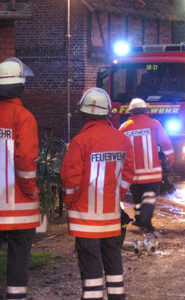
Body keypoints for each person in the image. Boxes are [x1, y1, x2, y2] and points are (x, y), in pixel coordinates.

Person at [61, 88, 134, 300]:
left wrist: (71, 202)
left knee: (90, 259)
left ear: (84, 114)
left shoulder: (80, 141)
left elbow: (70, 179)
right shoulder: (121, 139)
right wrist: (116, 196)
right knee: (112, 256)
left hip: (85, 217)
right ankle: (117, 296)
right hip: (111, 215)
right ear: (107, 113)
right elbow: (128, 174)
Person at [0, 58, 39, 300]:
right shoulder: (24, 117)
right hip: (16, 204)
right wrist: (31, 189)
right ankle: (15, 295)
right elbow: (25, 160)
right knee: (19, 251)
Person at [119, 98, 175, 233]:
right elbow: (165, 142)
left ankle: (139, 220)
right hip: (152, 173)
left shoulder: (124, 127)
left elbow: (118, 148)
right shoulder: (154, 124)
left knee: (137, 199)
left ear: (131, 112)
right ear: (146, 110)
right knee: (149, 197)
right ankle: (145, 220)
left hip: (133, 174)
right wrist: (170, 158)